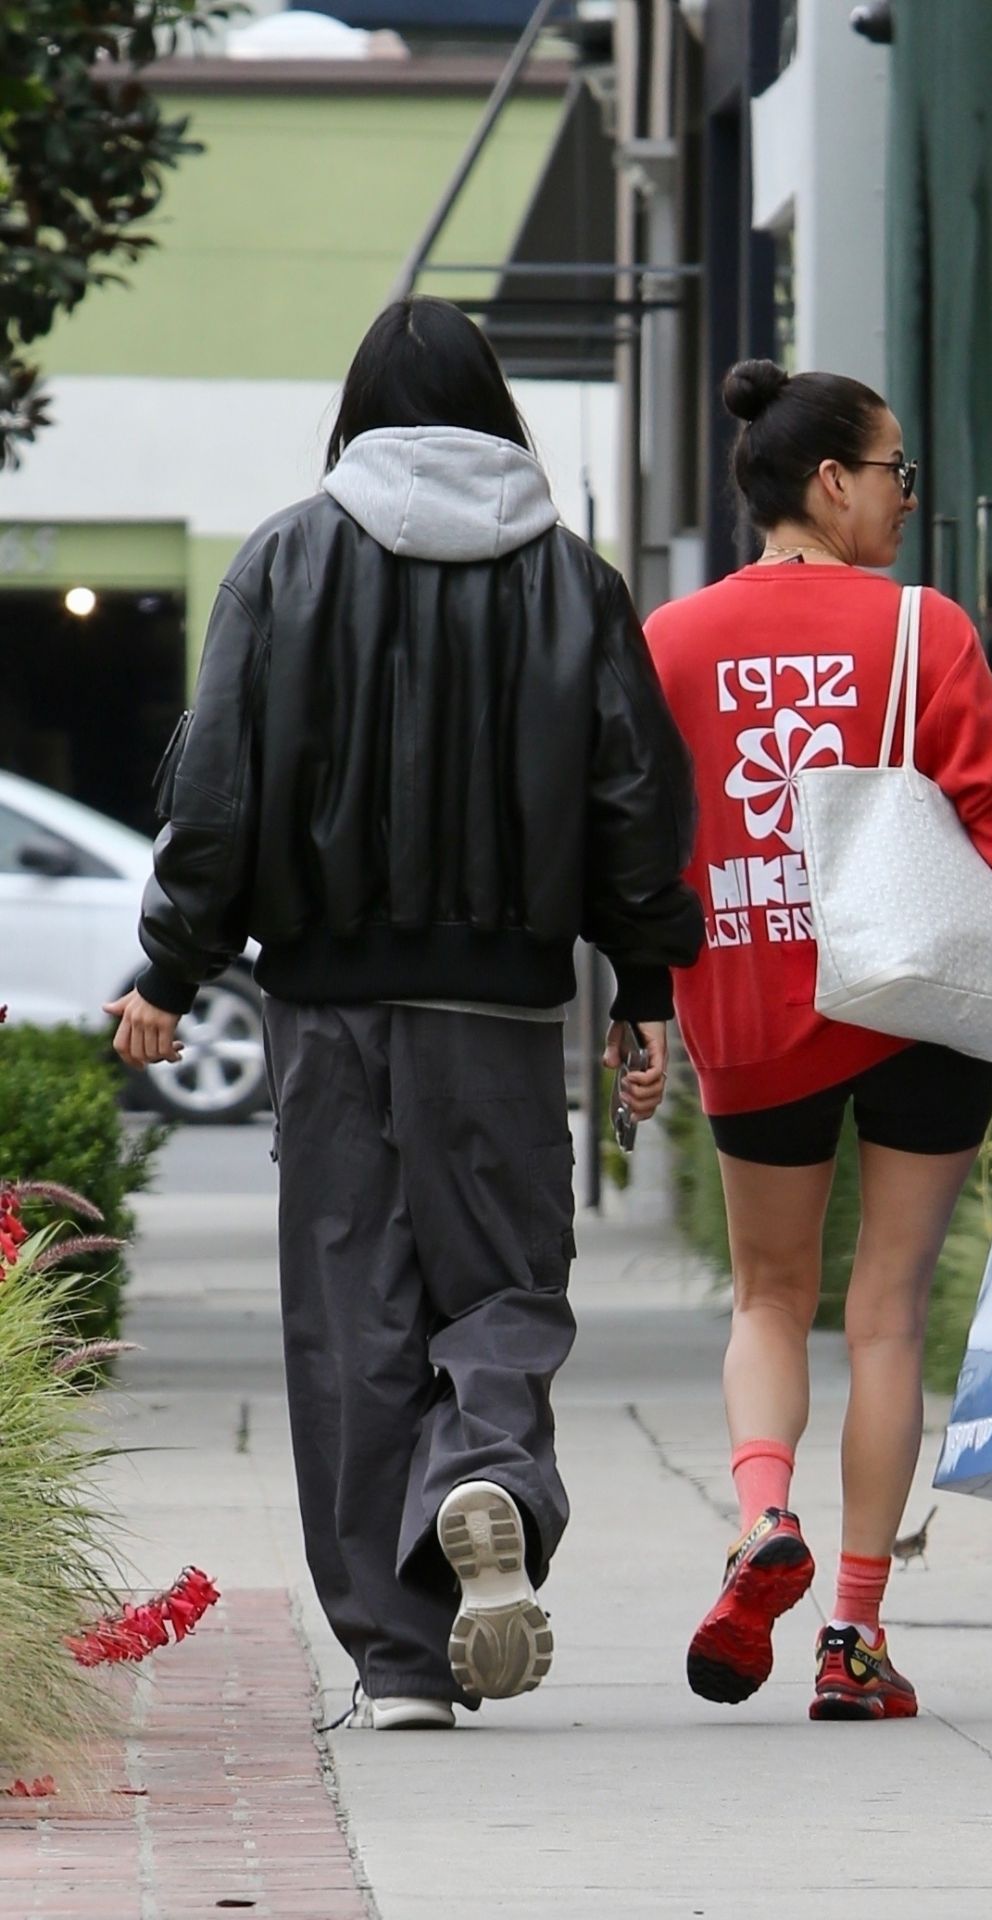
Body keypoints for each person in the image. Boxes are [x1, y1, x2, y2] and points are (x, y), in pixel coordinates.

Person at [106, 297, 703, 1731]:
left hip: (326, 1020)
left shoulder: (285, 558)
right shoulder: (573, 580)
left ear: (357, 416)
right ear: (495, 408)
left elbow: (219, 793)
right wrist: (645, 991)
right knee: (502, 1286)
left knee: (350, 1321)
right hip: (499, 1019)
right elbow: (634, 805)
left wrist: (173, 970)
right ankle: (487, 1469)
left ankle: (401, 1661)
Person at [644, 357, 992, 1723]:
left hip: (754, 1002)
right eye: (896, 474)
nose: (904, 501)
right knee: (883, 1314)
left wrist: (642, 996)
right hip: (920, 1002)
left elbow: (636, 847)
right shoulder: (918, 631)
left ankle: (761, 1514)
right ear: (832, 481)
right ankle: (853, 1640)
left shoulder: (672, 641)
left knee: (770, 1299)